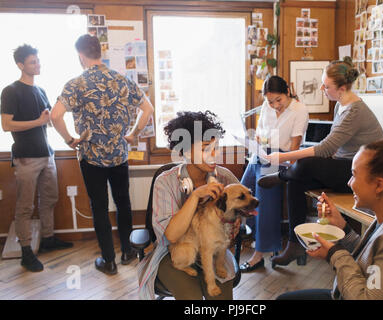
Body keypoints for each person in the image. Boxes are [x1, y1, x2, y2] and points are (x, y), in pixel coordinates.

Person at [277, 139, 383, 299]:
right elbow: (373, 261)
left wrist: (334, 254)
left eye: (354, 175)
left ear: (379, 185)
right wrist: (343, 227)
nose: (349, 182)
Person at [258, 57, 383, 267]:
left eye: (326, 86)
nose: (322, 88)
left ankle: (281, 176)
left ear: (342, 88)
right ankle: (294, 244)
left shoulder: (355, 112)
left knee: (306, 164)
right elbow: (333, 150)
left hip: (362, 174)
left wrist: (282, 158)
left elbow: (325, 148)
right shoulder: (340, 106)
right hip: (346, 166)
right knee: (296, 179)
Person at [50, 34, 153, 275]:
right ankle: (128, 250)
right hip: (119, 154)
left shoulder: (76, 84)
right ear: (100, 52)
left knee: (99, 207)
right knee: (123, 202)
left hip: (91, 157)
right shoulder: (122, 80)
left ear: (81, 56)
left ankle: (109, 261)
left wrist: (69, 140)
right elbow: (148, 109)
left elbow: (55, 116)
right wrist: (134, 134)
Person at [137, 111, 240, 300]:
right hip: (173, 254)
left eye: (216, 148)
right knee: (190, 297)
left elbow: (241, 213)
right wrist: (194, 197)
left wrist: (236, 219)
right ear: (185, 150)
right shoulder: (165, 182)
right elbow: (171, 236)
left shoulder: (225, 178)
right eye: (206, 148)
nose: (214, 155)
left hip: (214, 253)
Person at [0, 44, 73, 272]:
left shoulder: (40, 90)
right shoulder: (10, 91)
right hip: (26, 158)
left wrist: (52, 118)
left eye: (38, 61)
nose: (38, 65)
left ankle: (48, 238)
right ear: (21, 65)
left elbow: (49, 118)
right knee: (25, 206)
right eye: (33, 62)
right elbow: (6, 124)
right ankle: (25, 252)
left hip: (46, 154)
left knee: (49, 199)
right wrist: (38, 122)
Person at [239, 75, 308, 272]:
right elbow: (261, 134)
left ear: (287, 93)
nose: (275, 105)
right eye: (270, 101)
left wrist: (279, 160)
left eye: (279, 100)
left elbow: (295, 149)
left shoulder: (299, 110)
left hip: (284, 158)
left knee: (263, 192)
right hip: (263, 155)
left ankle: (259, 254)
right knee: (242, 191)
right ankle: (257, 233)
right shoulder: (266, 107)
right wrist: (258, 142)